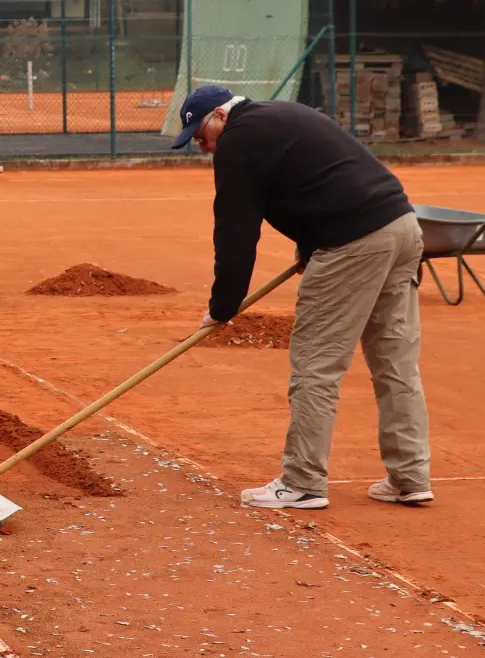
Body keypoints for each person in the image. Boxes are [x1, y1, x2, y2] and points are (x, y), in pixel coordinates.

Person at [173, 84, 432, 509]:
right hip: (402, 226)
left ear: (220, 115)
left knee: (316, 363)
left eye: (202, 137)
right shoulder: (281, 114)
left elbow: (236, 233)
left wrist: (222, 307)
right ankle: (410, 477)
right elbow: (323, 177)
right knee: (395, 362)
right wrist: (310, 245)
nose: (204, 149)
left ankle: (303, 481)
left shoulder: (237, 142)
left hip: (353, 242)